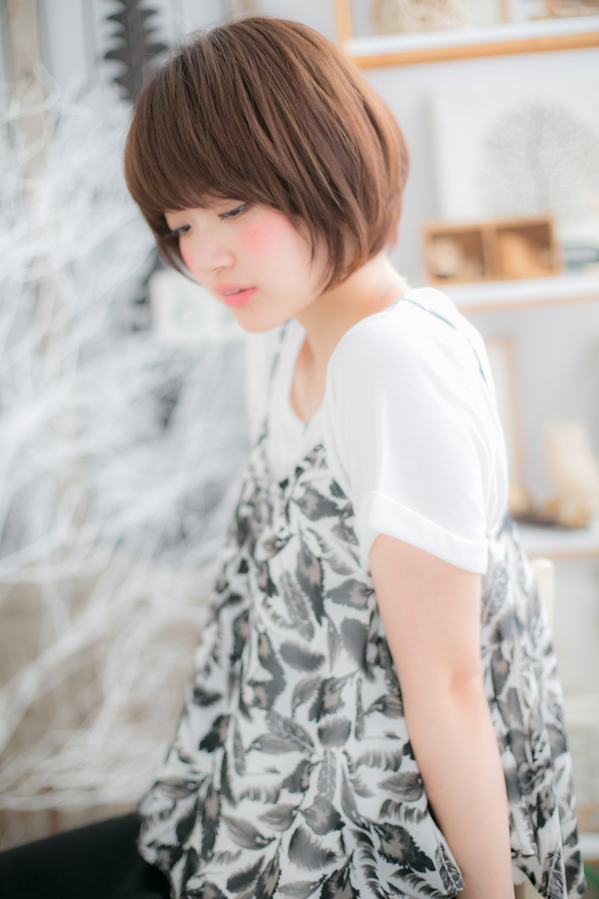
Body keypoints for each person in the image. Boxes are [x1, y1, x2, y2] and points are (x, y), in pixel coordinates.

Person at [0, 16, 585, 899]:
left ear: (325, 162)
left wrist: (489, 893)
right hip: (260, 807)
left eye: (233, 208)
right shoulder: (287, 344)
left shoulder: (393, 360)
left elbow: (452, 685)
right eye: (181, 222)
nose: (205, 255)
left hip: (372, 844)